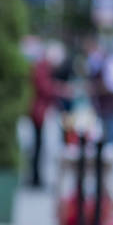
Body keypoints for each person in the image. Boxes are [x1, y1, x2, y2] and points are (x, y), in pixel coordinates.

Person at [29, 42, 70, 187]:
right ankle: (36, 178)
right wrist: (60, 90)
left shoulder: (43, 67)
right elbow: (45, 88)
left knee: (40, 146)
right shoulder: (42, 68)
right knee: (40, 146)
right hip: (39, 111)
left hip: (41, 111)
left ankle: (37, 177)